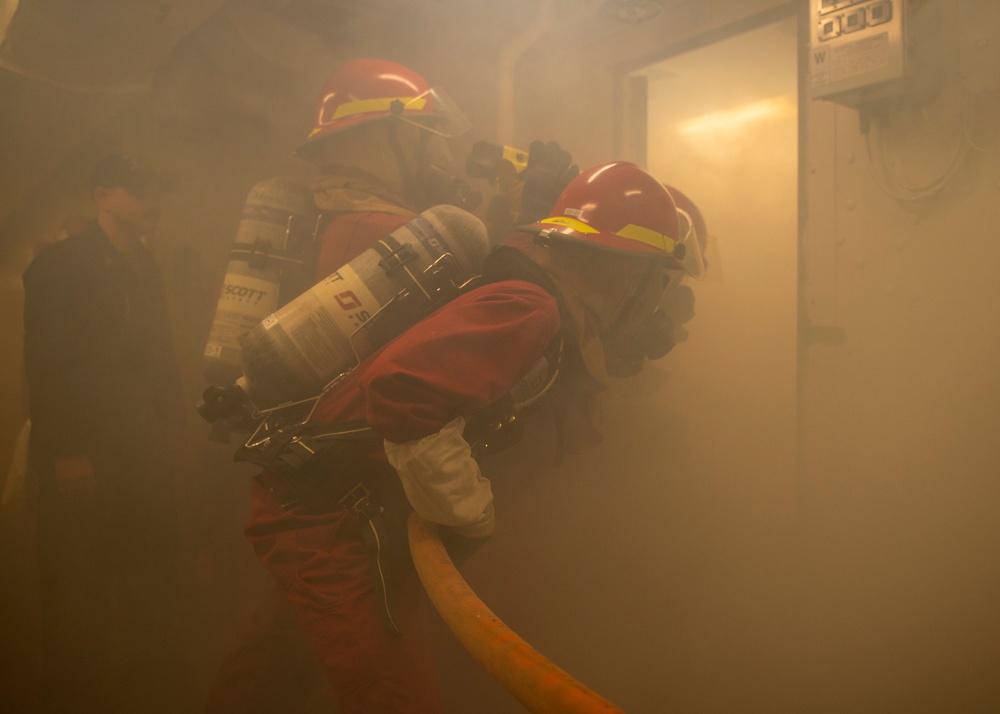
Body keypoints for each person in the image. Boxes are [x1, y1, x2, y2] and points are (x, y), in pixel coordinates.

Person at [206, 150, 705, 710]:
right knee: (396, 698)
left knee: (269, 669)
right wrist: (468, 511)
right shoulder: (531, 307)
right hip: (337, 522)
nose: (660, 303)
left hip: (315, 502)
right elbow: (403, 392)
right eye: (660, 280)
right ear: (627, 269)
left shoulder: (527, 295)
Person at [22, 153, 186, 712]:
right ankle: (71, 694)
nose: (152, 201)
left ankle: (138, 690)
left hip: (137, 447)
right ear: (103, 196)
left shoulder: (142, 264)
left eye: (155, 190)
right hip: (84, 451)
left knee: (138, 571)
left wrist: (170, 425)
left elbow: (158, 355)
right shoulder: (60, 265)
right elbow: (48, 365)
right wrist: (68, 452)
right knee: (75, 582)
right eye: (141, 190)